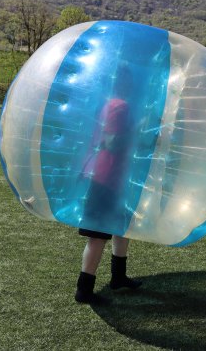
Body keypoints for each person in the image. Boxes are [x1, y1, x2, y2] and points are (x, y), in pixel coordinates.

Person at [75, 69, 143, 305]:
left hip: (111, 177)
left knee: (120, 226)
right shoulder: (119, 106)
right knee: (98, 235)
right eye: (130, 81)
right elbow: (112, 142)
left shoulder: (109, 104)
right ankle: (84, 290)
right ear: (125, 84)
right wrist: (139, 130)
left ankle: (118, 276)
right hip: (104, 178)